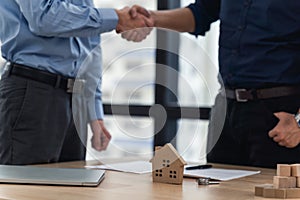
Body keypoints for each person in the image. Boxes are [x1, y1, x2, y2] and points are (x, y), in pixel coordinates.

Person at [125, 1, 300, 168]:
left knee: (273, 193)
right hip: (226, 109)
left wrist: (299, 123)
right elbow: (200, 13)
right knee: (220, 190)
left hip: (281, 113)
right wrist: (151, 18)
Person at [0, 0, 152, 165]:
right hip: (33, 92)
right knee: (25, 187)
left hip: (74, 99)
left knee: (72, 186)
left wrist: (94, 111)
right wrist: (118, 18)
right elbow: (43, 17)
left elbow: (91, 45)